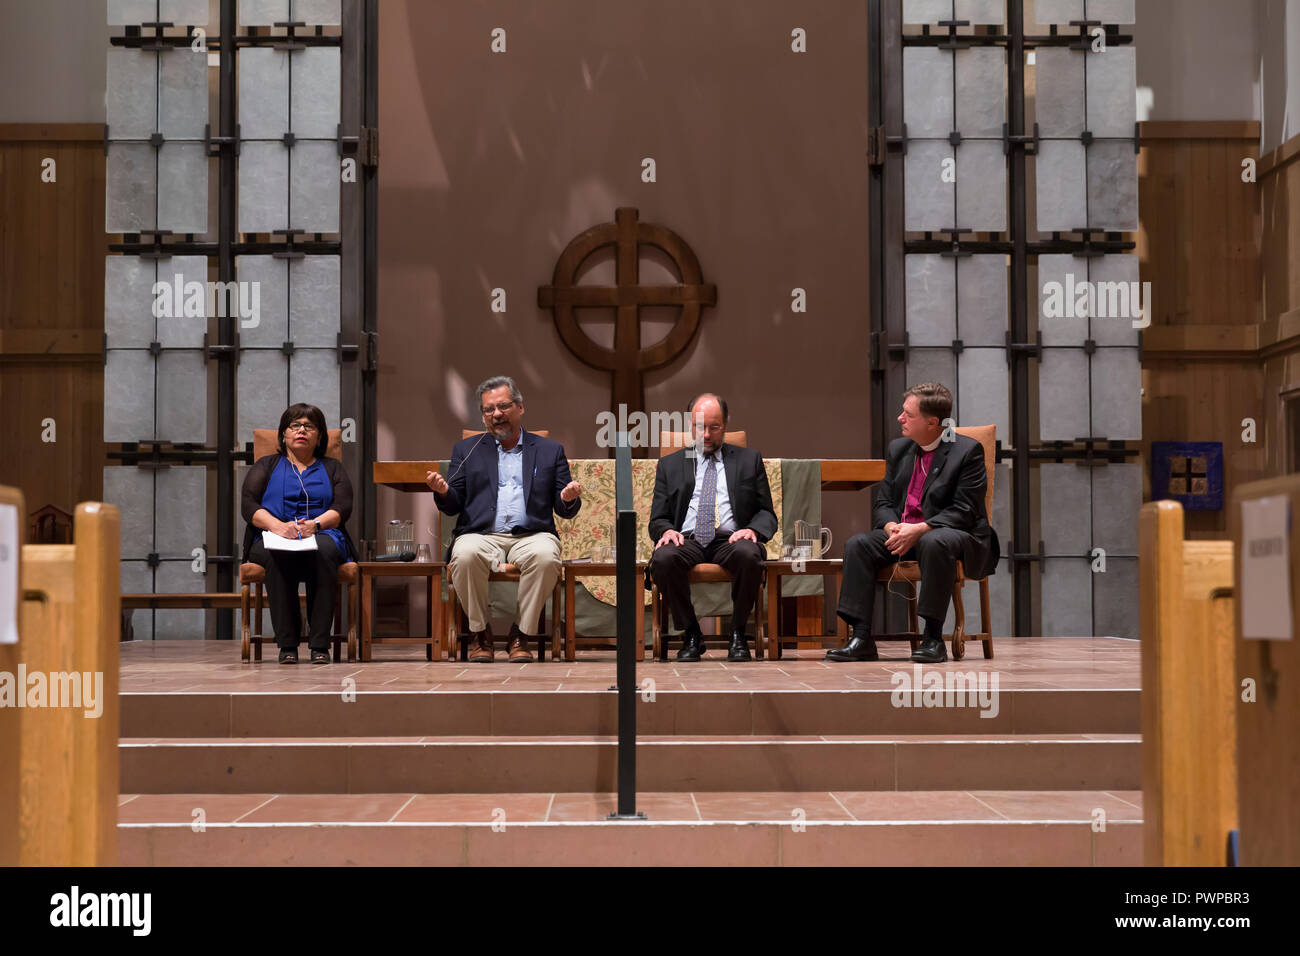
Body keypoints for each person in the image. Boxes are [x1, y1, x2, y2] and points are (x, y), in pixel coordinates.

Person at [829, 382, 999, 664]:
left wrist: (920, 528)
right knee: (858, 544)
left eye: (908, 414)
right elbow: (882, 505)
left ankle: (932, 638)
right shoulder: (900, 449)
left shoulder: (967, 452)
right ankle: (860, 638)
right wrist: (892, 527)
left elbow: (965, 510)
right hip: (904, 533)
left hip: (955, 536)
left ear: (933, 423)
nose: (900, 418)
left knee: (934, 542)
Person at [425, 376, 581, 662]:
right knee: (464, 554)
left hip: (532, 534)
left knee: (547, 557)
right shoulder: (467, 450)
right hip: (482, 533)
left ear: (520, 407)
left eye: (503, 406)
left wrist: (568, 498)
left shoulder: (549, 450)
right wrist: (445, 491)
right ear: (484, 415)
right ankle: (480, 634)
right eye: (488, 410)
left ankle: (520, 634)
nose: (496, 414)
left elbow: (563, 507)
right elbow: (453, 505)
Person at [647, 393, 776, 662]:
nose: (706, 434)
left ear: (725, 425)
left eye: (714, 427)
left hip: (730, 539)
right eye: (699, 426)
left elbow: (767, 513)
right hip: (688, 539)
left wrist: (753, 530)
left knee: (749, 554)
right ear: (689, 426)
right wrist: (666, 531)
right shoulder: (669, 465)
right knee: (663, 558)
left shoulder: (749, 460)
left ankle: (738, 633)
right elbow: (658, 518)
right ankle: (691, 634)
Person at [242, 403, 357, 665]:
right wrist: (278, 527)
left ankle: (319, 644)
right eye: (295, 426)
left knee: (325, 551)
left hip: (321, 533)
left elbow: (342, 507)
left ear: (319, 436)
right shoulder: (267, 465)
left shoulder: (332, 468)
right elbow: (249, 504)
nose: (301, 430)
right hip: (272, 535)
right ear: (284, 434)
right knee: (275, 554)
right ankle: (287, 645)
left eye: (309, 426)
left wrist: (314, 525)